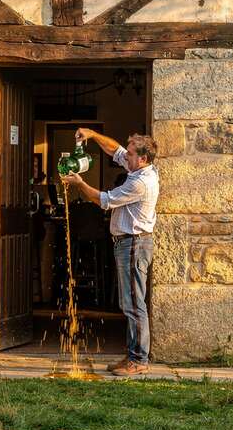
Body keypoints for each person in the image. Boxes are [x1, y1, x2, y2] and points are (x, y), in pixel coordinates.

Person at [60, 128, 159, 376]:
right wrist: (92, 135)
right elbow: (115, 150)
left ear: (144, 159)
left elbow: (104, 200)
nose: (127, 157)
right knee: (129, 301)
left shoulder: (140, 182)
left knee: (134, 303)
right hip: (128, 243)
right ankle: (133, 355)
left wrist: (80, 183)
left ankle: (139, 360)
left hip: (134, 244)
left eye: (132, 154)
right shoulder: (139, 168)